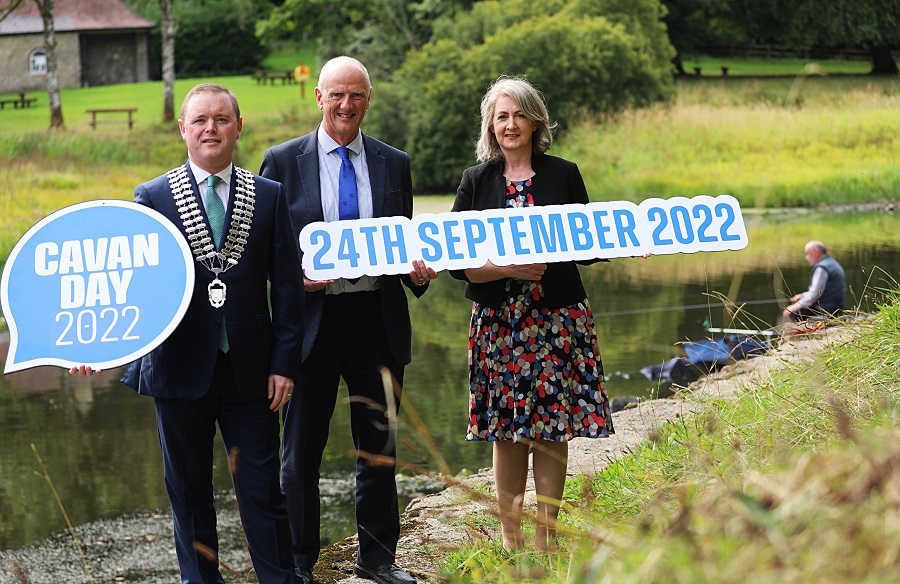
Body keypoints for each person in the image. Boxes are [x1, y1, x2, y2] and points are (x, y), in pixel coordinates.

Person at [74, 83, 305, 583]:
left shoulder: (268, 196)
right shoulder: (153, 197)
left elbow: (287, 289)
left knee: (264, 493)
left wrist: (284, 364)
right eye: (199, 120)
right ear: (183, 128)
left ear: (238, 127)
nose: (210, 130)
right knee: (189, 494)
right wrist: (94, 346)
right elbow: (127, 289)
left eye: (221, 119)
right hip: (177, 372)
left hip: (252, 375)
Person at [260, 56, 434, 584]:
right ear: (318, 97)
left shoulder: (392, 162)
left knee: (378, 448)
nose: (346, 105)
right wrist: (295, 277)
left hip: (376, 322)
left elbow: (401, 241)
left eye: (356, 95)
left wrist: (420, 274)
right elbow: (264, 250)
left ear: (368, 99)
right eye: (336, 94)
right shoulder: (282, 161)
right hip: (311, 324)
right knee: (300, 453)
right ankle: (297, 562)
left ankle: (378, 558)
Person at [449, 76, 615, 551]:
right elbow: (459, 266)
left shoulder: (564, 173)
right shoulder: (475, 181)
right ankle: (511, 539)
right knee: (507, 432)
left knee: (552, 427)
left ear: (535, 120)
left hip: (558, 321)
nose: (510, 124)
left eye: (519, 114)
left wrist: (631, 243)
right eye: (502, 116)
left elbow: (589, 243)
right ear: (490, 126)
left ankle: (547, 536)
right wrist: (509, 269)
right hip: (500, 326)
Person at [783, 240, 846, 321]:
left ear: (816, 252)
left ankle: (797, 332)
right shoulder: (832, 263)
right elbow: (821, 290)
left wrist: (794, 307)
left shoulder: (821, 268)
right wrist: (803, 295)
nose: (807, 257)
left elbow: (814, 295)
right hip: (836, 308)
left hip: (827, 311)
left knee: (793, 313)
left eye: (808, 253)